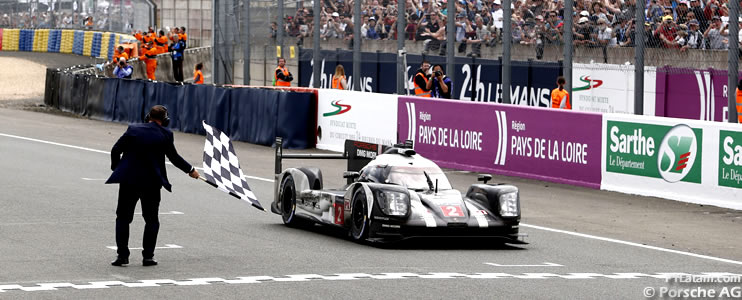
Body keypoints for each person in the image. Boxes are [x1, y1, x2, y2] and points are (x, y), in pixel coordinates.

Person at [107, 105, 200, 267]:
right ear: (165, 120)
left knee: (123, 218)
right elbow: (174, 158)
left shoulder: (132, 129)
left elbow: (115, 150)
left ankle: (122, 256)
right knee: (151, 219)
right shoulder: (165, 134)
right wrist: (190, 170)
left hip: (129, 181)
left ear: (147, 117)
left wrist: (118, 167)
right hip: (151, 183)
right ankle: (148, 257)